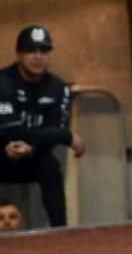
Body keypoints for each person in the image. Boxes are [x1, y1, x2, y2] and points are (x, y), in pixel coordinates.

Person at [0, 25, 85, 228]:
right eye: (31, 51)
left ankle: (61, 233)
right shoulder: (3, 82)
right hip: (1, 153)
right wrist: (66, 136)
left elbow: (55, 129)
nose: (38, 57)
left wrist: (33, 148)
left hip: (32, 156)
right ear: (19, 54)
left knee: (50, 167)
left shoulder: (58, 88)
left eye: (43, 51)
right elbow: (9, 130)